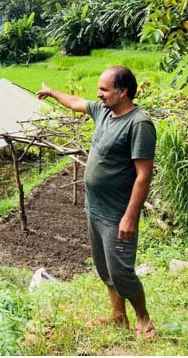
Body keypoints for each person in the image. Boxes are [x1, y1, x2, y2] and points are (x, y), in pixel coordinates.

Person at [36, 66, 156, 339]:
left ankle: (144, 320)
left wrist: (129, 217)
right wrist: (52, 92)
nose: (98, 94)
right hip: (95, 207)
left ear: (122, 91)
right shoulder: (104, 111)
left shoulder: (138, 124)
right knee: (104, 267)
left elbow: (143, 176)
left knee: (121, 270)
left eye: (104, 89)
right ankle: (118, 316)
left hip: (117, 213)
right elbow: (77, 103)